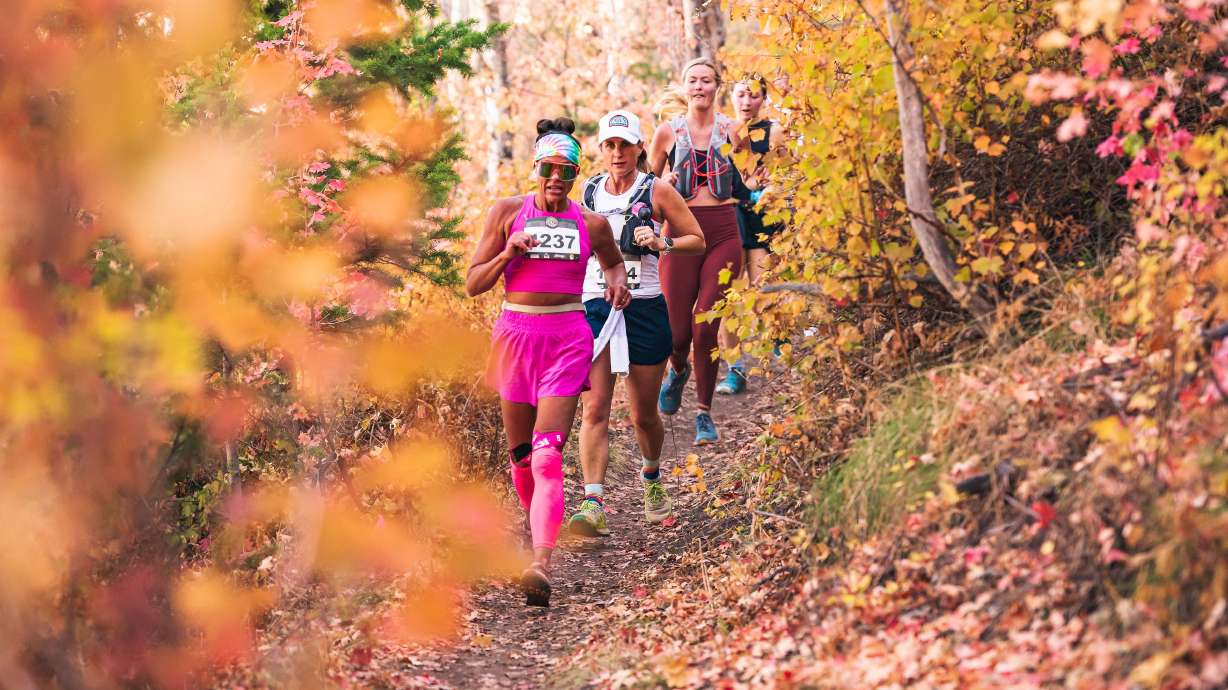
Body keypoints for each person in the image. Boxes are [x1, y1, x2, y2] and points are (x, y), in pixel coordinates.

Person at [465, 117, 629, 607]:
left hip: (567, 338)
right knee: (520, 460)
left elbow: (613, 260)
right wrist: (507, 255)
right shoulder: (506, 212)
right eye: (549, 169)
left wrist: (617, 280)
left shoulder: (591, 223)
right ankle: (536, 519)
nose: (557, 179)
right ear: (535, 167)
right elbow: (473, 283)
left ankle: (540, 562)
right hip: (515, 337)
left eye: (567, 172)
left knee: (546, 454)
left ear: (577, 176)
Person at [569, 109, 707, 537]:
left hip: (645, 307)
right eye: (610, 145)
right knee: (594, 408)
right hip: (596, 306)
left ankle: (651, 478)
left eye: (625, 145)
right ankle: (592, 502)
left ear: (639, 148)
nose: (617, 153)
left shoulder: (657, 189)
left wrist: (662, 241)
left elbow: (696, 239)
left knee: (644, 415)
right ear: (602, 149)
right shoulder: (588, 192)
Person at [647, 57, 743, 445]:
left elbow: (752, 177)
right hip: (681, 234)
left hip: (723, 232)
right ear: (684, 88)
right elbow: (647, 187)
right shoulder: (667, 133)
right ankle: (677, 369)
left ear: (717, 86)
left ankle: (703, 413)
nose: (699, 87)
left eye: (706, 80)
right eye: (693, 81)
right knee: (677, 332)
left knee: (707, 326)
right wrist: (664, 181)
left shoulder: (735, 131)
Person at [716, 74, 786, 395]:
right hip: (727, 215)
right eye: (741, 95)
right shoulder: (721, 131)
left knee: (762, 290)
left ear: (764, 99)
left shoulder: (773, 132)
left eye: (754, 96)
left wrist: (771, 187)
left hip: (760, 216)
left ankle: (779, 342)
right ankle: (735, 370)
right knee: (728, 296)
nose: (747, 102)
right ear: (732, 97)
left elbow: (788, 175)